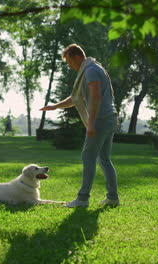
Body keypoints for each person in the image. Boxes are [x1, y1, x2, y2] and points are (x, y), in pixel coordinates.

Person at [40, 44, 119, 207]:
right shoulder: (92, 69)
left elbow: (95, 97)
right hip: (109, 117)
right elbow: (75, 98)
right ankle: (113, 197)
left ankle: (82, 199)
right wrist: (54, 106)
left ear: (77, 57)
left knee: (88, 157)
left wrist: (91, 124)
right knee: (104, 159)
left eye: (70, 62)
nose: (70, 66)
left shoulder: (90, 70)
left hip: (101, 119)